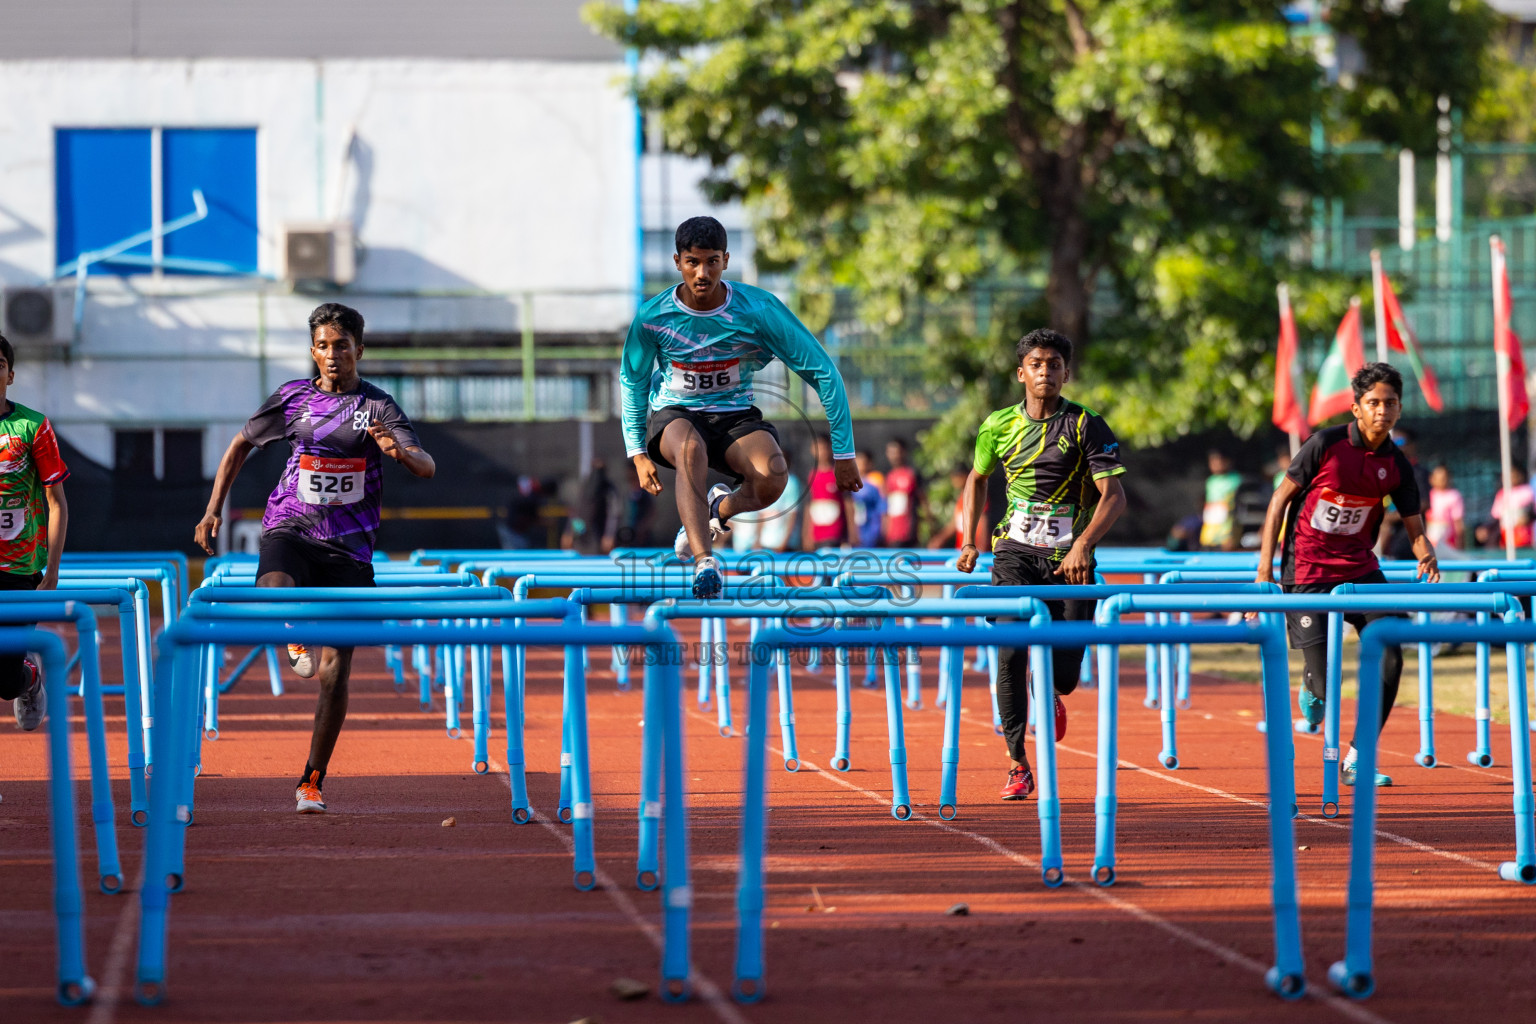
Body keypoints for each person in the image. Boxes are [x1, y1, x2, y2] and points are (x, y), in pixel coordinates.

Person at [194, 303, 436, 813]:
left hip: (349, 549)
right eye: (323, 346)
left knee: (334, 674)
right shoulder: (292, 398)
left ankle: (311, 780)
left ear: (359, 350)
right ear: (312, 351)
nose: (332, 355)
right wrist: (213, 508)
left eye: (341, 346)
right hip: (292, 526)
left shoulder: (379, 407)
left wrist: (399, 453)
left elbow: (426, 466)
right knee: (272, 591)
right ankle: (294, 630)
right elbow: (239, 444)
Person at [620, 216, 860, 597]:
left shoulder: (758, 310)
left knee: (774, 477)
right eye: (692, 262)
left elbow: (824, 372)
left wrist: (844, 452)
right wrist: (636, 452)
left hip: (734, 414)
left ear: (726, 260)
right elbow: (632, 382)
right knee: (689, 448)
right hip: (676, 414)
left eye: (712, 261)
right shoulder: (653, 318)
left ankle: (720, 510)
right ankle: (704, 563)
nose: (702, 273)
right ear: (677, 262)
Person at [956, 329, 1127, 801]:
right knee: (1010, 651)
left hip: (1069, 559)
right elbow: (976, 479)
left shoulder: (1087, 425)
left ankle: (1049, 688)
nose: (1045, 371)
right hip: (1013, 552)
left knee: (1066, 673)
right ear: (1021, 373)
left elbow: (1114, 496)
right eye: (1036, 363)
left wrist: (1083, 545)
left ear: (1066, 373)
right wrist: (970, 540)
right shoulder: (997, 425)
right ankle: (1016, 761)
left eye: (1054, 364)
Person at [1253, 362, 1438, 788]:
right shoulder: (1325, 444)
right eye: (1373, 403)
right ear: (1356, 408)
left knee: (1392, 646)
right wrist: (1264, 571)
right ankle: (1312, 689)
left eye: (1390, 403)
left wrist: (1424, 551)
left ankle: (1357, 757)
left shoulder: (1397, 464)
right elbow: (1279, 502)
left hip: (1359, 569)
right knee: (1326, 681)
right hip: (1307, 572)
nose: (1382, 411)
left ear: (1400, 407)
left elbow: (1415, 528)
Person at [0, 333, 69, 731]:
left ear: (10, 375)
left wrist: (53, 571)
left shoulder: (33, 426)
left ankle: (27, 677)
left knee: (4, 680)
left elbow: (56, 502)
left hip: (19, 570)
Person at [732, 447, 804, 552]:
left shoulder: (792, 483)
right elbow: (762, 514)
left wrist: (784, 543)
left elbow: (792, 514)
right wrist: (758, 540)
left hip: (782, 546)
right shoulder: (767, 481)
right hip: (765, 543)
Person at [805, 433, 859, 549]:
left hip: (835, 534)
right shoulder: (811, 475)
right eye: (817, 448)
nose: (821, 452)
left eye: (824, 448)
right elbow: (809, 505)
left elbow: (848, 503)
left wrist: (852, 532)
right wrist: (807, 535)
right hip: (817, 535)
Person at [564, 457, 618, 554]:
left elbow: (613, 513)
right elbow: (576, 511)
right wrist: (570, 532)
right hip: (582, 534)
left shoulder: (609, 489)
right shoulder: (585, 486)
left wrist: (609, 535)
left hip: (599, 534)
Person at [1199, 449, 1243, 551]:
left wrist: (1233, 533)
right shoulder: (1210, 482)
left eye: (1219, 461)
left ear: (1227, 461)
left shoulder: (1235, 480)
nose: (1216, 464)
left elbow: (1238, 508)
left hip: (1227, 528)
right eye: (1212, 461)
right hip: (1210, 528)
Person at [881, 438, 922, 547]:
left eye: (897, 452)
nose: (894, 456)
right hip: (892, 534)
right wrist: (885, 529)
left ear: (904, 452)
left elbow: (922, 501)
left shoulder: (912, 474)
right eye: (891, 452)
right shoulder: (888, 477)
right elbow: (886, 506)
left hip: (909, 532)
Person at [1485, 465, 1534, 550]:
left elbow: (1531, 511)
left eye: (1514, 475)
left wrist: (1527, 517)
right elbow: (1496, 517)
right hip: (1506, 535)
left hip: (1524, 536)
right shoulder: (1501, 494)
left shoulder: (1527, 491)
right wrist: (1486, 528)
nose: (1512, 478)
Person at [1424, 464, 1466, 552]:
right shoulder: (1427, 495)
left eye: (1444, 478)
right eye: (1439, 478)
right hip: (1431, 543)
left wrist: (1460, 543)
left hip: (1448, 542)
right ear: (1431, 479)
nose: (1442, 481)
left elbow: (1458, 522)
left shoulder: (1454, 496)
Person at [852, 450, 886, 548]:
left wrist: (883, 529)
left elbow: (883, 506)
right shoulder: (851, 482)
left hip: (873, 527)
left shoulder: (876, 480)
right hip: (858, 528)